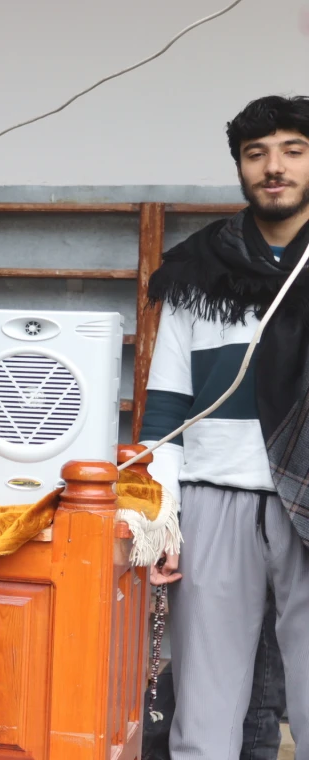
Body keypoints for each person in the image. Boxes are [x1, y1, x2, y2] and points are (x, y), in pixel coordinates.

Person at [141, 94, 309, 759]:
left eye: (293, 151)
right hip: (215, 499)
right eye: (257, 153)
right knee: (203, 716)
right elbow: (164, 408)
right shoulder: (195, 269)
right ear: (240, 166)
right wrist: (164, 520)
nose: (275, 167)